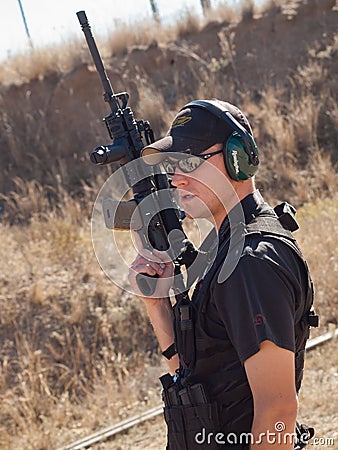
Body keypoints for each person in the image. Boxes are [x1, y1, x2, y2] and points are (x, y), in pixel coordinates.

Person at [128, 99, 317, 449]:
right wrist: (156, 304)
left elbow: (278, 411)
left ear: (237, 159)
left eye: (189, 162)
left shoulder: (250, 263)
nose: (176, 178)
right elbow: (197, 377)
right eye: (173, 165)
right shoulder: (225, 251)